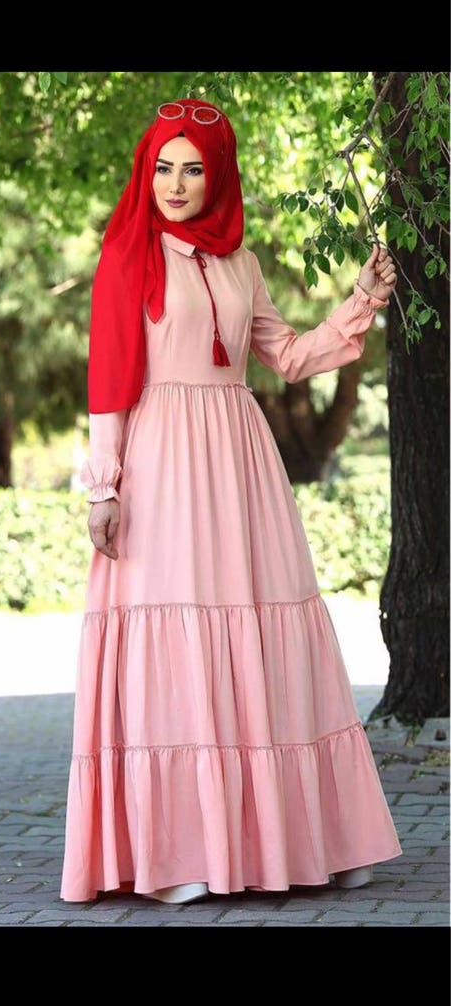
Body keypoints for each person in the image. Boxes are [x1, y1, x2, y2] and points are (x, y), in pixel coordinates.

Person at [59, 98, 403, 905]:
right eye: (163, 168)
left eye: (193, 169)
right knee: (176, 638)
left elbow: (289, 356)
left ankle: (297, 843)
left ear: (217, 177)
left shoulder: (240, 262)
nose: (176, 184)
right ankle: (178, 854)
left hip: (240, 466)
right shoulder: (129, 255)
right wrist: (104, 486)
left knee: (261, 631)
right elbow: (108, 376)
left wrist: (359, 300)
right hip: (162, 464)